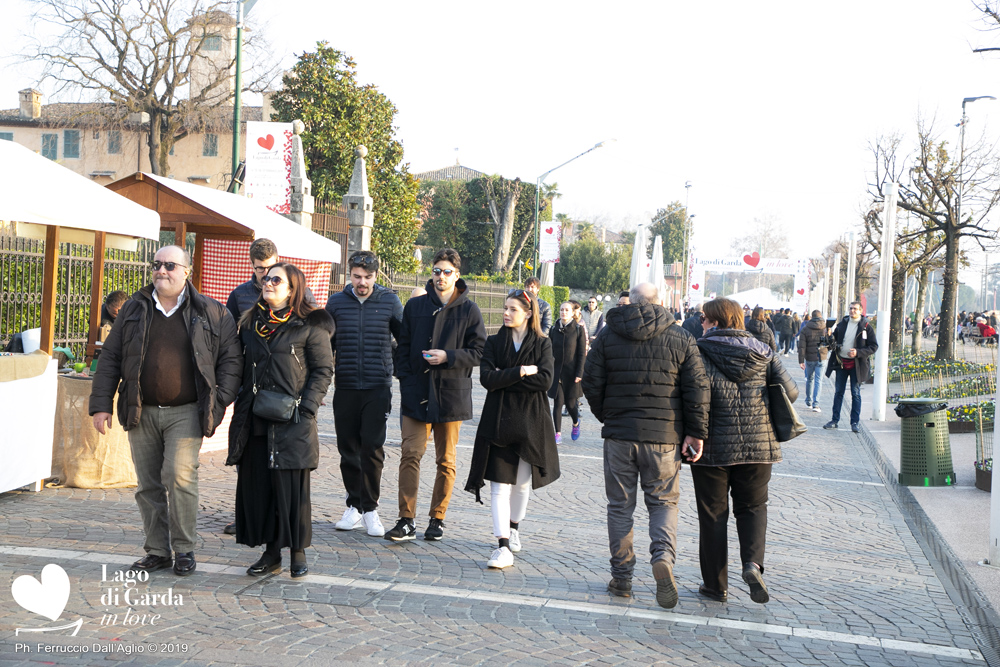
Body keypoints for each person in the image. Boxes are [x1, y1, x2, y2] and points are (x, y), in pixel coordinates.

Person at [90, 245, 242, 576]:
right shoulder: (133, 308)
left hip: (186, 411)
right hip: (141, 409)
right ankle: (157, 550)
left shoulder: (212, 312)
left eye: (170, 265)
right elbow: (111, 358)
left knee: (179, 476)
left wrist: (218, 400)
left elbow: (232, 360)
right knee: (147, 485)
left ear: (187, 271)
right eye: (157, 264)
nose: (161, 270)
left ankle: (184, 549)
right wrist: (101, 405)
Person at [581, 282, 710, 609]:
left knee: (620, 506)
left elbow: (591, 380)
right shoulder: (680, 337)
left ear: (631, 301)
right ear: (661, 301)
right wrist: (696, 432)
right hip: (664, 439)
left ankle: (622, 577)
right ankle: (663, 557)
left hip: (620, 435)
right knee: (664, 503)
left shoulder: (609, 334)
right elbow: (698, 389)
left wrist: (608, 416)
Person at [226, 263, 333, 578]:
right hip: (255, 417)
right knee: (262, 487)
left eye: (276, 279)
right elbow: (238, 366)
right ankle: (271, 553)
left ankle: (297, 552)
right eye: (266, 277)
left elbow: (323, 370)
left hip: (293, 418)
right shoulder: (249, 323)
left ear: (292, 289)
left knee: (291, 490)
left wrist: (308, 408)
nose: (267, 282)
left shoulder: (310, 326)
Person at [692, 298, 798, 604]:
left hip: (712, 446)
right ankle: (752, 564)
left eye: (704, 318)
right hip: (758, 445)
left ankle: (715, 586)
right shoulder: (764, 352)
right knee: (752, 508)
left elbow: (691, 394)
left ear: (715, 321)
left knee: (713, 515)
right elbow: (791, 392)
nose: (701, 323)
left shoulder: (699, 351)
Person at [388, 248, 487, 542]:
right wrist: (405, 378)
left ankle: (437, 518)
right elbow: (402, 346)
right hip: (416, 391)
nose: (440, 277)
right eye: (436, 271)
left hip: (450, 394)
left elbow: (479, 351)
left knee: (446, 460)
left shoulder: (470, 310)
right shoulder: (415, 306)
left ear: (457, 275)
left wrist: (449, 356)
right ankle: (406, 519)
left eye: (446, 272)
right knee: (410, 454)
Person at [464, 289, 560, 569]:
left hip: (532, 422)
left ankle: (514, 527)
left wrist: (507, 377)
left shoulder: (543, 344)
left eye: (513, 309)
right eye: (505, 308)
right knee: (499, 486)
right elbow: (487, 379)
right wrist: (520, 372)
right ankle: (502, 546)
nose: (506, 313)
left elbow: (545, 381)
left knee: (522, 485)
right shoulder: (493, 343)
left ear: (528, 314)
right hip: (498, 422)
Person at [325, 250, 403, 537]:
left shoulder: (389, 301)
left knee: (372, 448)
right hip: (345, 385)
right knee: (348, 449)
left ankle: (370, 509)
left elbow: (404, 340)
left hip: (377, 386)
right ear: (349, 274)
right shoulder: (336, 303)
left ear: (375, 275)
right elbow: (324, 347)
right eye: (357, 277)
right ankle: (354, 505)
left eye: (368, 277)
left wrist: (397, 370)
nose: (362, 283)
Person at [225, 237, 314, 324]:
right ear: (251, 264)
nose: (266, 273)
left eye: (270, 267)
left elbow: (317, 326)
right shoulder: (238, 295)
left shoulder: (301, 291)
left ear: (277, 261)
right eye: (261, 268)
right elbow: (230, 333)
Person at [824, 301, 878, 433]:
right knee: (838, 392)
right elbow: (831, 344)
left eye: (855, 309)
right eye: (851, 308)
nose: (852, 311)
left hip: (857, 365)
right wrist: (829, 335)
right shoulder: (842, 324)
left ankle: (855, 422)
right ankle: (834, 420)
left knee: (855, 393)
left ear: (860, 311)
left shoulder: (866, 327)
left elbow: (873, 346)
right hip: (841, 363)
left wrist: (858, 353)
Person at [549, 301, 587, 444]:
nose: (563, 312)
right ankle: (557, 433)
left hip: (572, 374)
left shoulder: (578, 330)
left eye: (567, 310)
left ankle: (575, 423)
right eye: (561, 310)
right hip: (556, 372)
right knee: (558, 403)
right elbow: (549, 350)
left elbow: (582, 354)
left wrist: (579, 373)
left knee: (571, 405)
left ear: (572, 313)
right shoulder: (554, 329)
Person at [798, 310, 826, 412]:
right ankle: (816, 404)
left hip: (809, 358)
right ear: (821, 316)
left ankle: (808, 401)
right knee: (819, 380)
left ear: (811, 317)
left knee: (809, 379)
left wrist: (801, 360)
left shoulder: (805, 329)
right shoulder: (825, 328)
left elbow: (801, 346)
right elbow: (830, 344)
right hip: (821, 357)